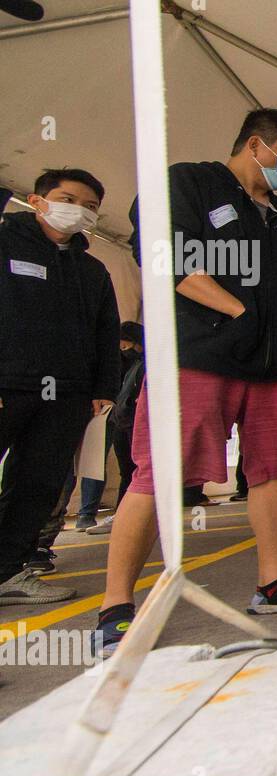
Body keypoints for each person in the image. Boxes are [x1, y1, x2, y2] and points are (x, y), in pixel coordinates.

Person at [96, 109, 277, 655]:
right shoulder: (189, 183)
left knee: (275, 472)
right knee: (159, 474)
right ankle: (115, 605)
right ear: (256, 144)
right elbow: (165, 255)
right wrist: (237, 312)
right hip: (200, 356)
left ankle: (273, 584)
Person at [0, 168, 120, 605]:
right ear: (37, 201)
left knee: (37, 485)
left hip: (66, 396)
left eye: (90, 207)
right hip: (8, 384)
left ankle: (9, 572)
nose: (80, 211)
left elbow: (106, 332)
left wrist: (103, 388)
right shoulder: (5, 243)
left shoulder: (92, 270)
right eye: (70, 199)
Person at [87, 321, 146, 534]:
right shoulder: (120, 365)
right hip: (121, 421)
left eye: (125, 346)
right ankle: (123, 514)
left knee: (138, 471)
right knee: (127, 471)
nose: (123, 350)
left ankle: (128, 516)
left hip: (136, 422)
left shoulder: (147, 364)